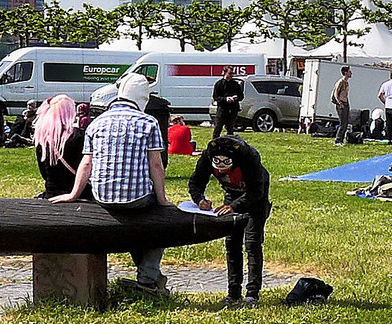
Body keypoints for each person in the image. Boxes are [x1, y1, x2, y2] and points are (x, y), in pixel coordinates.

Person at [52, 74, 170, 296]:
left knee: (139, 222)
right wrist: (162, 199)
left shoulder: (97, 123)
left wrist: (73, 194)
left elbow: (86, 163)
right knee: (160, 225)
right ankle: (148, 279)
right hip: (138, 198)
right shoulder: (149, 122)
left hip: (103, 197)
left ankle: (152, 277)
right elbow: (156, 164)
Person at [187, 132, 271, 307]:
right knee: (231, 243)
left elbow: (257, 192)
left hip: (255, 196)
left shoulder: (250, 157)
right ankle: (233, 293)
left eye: (226, 163)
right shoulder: (207, 157)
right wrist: (200, 200)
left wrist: (233, 207)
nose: (221, 168)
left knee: (252, 243)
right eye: (217, 164)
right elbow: (195, 183)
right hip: (232, 193)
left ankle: (252, 294)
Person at [32, 94, 85, 199]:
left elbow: (44, 173)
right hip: (79, 193)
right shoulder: (79, 136)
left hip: (52, 193)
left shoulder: (43, 139)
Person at [211, 69, 245, 138]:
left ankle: (230, 144)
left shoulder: (235, 84)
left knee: (230, 129)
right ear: (225, 73)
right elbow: (216, 97)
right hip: (222, 109)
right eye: (229, 73)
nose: (231, 75)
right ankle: (214, 145)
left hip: (233, 109)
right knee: (218, 128)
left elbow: (241, 96)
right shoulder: (219, 84)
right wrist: (225, 99)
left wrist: (236, 98)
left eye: (232, 73)